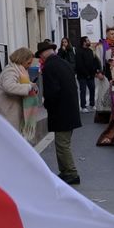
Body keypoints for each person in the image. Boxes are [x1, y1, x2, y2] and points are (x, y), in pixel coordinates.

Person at [36, 41, 80, 185]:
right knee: (62, 143)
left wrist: (47, 104)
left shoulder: (49, 67)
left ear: (43, 54)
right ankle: (65, 171)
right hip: (69, 108)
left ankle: (71, 173)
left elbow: (52, 91)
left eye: (40, 56)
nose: (40, 59)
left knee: (62, 144)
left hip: (61, 110)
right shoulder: (63, 63)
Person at [0, 47, 40, 142]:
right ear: (22, 59)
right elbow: (9, 86)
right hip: (6, 110)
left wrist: (32, 87)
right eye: (28, 63)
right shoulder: (11, 70)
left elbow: (24, 83)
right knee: (8, 140)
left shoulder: (20, 70)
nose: (29, 66)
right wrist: (29, 87)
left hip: (11, 109)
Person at [74, 37, 100, 111]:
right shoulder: (79, 52)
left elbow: (93, 62)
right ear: (84, 42)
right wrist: (86, 74)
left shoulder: (90, 51)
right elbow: (79, 65)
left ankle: (92, 104)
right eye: (88, 40)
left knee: (92, 89)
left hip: (91, 75)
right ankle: (83, 106)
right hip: (82, 76)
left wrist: (95, 70)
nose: (89, 41)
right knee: (83, 90)